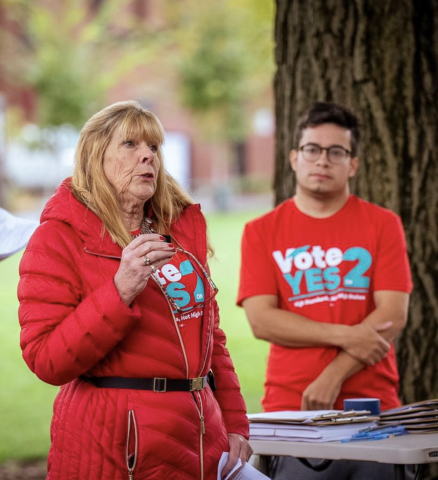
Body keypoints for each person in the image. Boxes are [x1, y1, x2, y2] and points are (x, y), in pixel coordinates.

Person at [18, 100, 252, 480]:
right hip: (114, 446)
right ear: (96, 157)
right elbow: (46, 359)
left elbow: (211, 336)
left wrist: (235, 421)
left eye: (154, 147)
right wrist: (120, 289)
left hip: (200, 439)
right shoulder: (57, 238)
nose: (149, 157)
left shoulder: (178, 230)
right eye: (131, 145)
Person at [237, 102, 412, 479]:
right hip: (291, 414)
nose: (323, 161)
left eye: (337, 152)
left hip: (372, 412)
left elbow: (393, 314)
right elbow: (262, 321)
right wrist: (349, 336)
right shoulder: (261, 231)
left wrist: (333, 375)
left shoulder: (383, 224)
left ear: (353, 164)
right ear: (294, 158)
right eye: (313, 150)